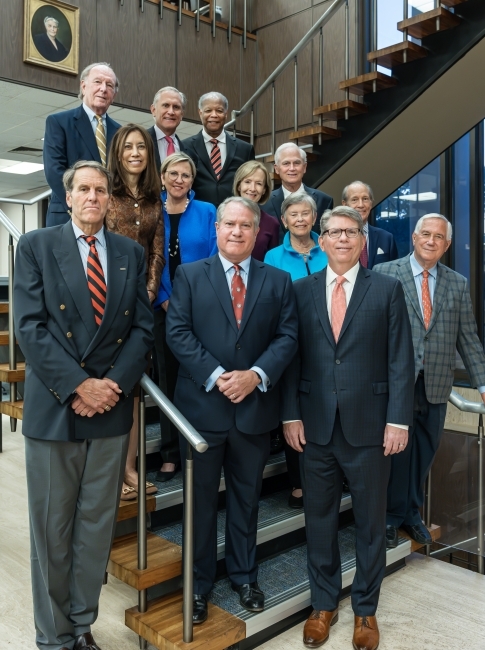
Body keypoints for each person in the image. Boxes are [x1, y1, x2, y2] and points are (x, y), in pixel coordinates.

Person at [14, 160, 154, 650]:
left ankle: (81, 625)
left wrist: (111, 384)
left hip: (110, 409)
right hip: (56, 410)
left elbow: (141, 327)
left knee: (95, 530)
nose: (93, 197)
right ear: (67, 196)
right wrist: (79, 386)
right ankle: (53, 638)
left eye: (101, 190)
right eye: (84, 189)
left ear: (110, 200)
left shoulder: (128, 253)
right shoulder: (35, 246)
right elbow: (29, 327)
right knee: (52, 531)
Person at [282, 206, 414, 650]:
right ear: (321, 241)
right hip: (315, 427)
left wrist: (398, 420)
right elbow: (290, 359)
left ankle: (365, 611)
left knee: (370, 524)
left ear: (362, 240)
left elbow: (400, 360)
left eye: (350, 232)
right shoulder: (299, 291)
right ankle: (323, 604)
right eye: (333, 232)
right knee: (318, 521)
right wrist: (289, 414)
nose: (341, 238)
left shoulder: (388, 290)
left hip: (371, 429)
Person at [166, 196, 298, 624]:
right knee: (200, 504)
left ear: (257, 230)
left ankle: (244, 576)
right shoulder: (188, 275)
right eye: (229, 224)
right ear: (217, 229)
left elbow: (287, 337)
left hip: (254, 410)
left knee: (247, 500)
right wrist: (220, 375)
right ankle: (199, 585)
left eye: (245, 225)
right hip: (202, 410)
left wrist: (255, 375)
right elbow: (178, 333)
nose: (237, 232)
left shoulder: (277, 280)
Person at [374, 214, 485, 549]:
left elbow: (468, 338)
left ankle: (411, 513)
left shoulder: (457, 283)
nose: (431, 241)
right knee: (395, 454)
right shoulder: (384, 273)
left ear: (447, 244)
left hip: (436, 384)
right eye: (426, 234)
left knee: (424, 453)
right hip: (396, 384)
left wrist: (482, 384)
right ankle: (391, 517)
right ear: (414, 237)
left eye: (439, 237)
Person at [106, 123, 164, 500]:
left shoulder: (155, 200)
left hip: (140, 309)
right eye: (128, 147)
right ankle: (105, 470)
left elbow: (156, 254)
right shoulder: (106, 196)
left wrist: (146, 295)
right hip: (105, 307)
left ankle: (128, 467)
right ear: (117, 152)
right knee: (107, 386)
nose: (135, 153)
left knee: (134, 393)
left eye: (141, 147)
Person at [153, 152, 217, 482]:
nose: (179, 179)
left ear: (193, 181)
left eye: (186, 175)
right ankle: (169, 453)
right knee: (167, 382)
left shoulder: (207, 211)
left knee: (197, 379)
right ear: (162, 176)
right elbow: (151, 259)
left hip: (201, 308)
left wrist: (190, 300)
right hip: (163, 310)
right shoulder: (152, 211)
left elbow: (212, 255)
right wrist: (164, 298)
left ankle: (199, 446)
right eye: (173, 173)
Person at [264, 192, 328, 508]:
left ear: (314, 218)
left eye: (305, 214)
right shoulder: (273, 256)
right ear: (285, 220)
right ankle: (298, 483)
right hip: (289, 341)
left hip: (330, 342)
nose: (300, 219)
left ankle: (327, 475)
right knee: (292, 409)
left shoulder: (329, 247)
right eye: (294, 215)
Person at [43, 62, 120, 226]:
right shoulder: (59, 122)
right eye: (97, 82)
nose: (103, 89)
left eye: (109, 85)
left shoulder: (120, 132)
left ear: (113, 95)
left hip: (110, 219)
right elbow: (54, 171)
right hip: (68, 215)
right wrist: (79, 205)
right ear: (83, 86)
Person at [182, 92, 255, 207]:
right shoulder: (184, 147)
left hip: (235, 215)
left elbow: (252, 184)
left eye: (219, 111)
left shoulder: (245, 149)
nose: (214, 115)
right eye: (208, 110)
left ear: (226, 114)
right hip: (198, 215)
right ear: (200, 113)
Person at [261, 142, 333, 241]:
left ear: (304, 167)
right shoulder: (264, 203)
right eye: (286, 163)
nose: (292, 168)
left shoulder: (324, 201)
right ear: (277, 169)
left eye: (297, 163)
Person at [342, 180, 398, 269]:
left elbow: (394, 273)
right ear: (345, 204)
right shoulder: (337, 238)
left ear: (371, 203)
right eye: (354, 199)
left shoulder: (386, 238)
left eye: (365, 199)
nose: (361, 205)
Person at [233, 160, 279, 261]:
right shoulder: (223, 216)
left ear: (264, 190)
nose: (252, 188)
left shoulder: (272, 223)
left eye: (258, 183)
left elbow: (272, 262)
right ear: (239, 185)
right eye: (247, 182)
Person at [147, 86, 187, 173]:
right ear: (153, 110)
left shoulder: (189, 152)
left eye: (176, 107)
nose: (171, 112)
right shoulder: (142, 140)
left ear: (182, 115)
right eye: (166, 105)